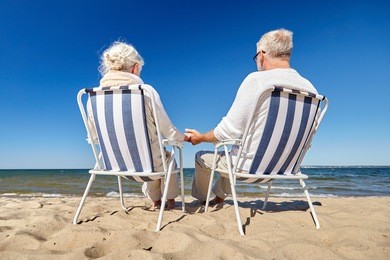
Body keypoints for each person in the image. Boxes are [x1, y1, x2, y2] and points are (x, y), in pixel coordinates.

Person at [186, 29, 318, 205]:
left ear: (262, 54)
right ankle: (218, 197)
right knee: (236, 148)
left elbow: (228, 131)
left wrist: (201, 137)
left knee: (203, 156)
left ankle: (202, 199)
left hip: (248, 168)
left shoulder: (257, 81)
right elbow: (310, 133)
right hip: (284, 168)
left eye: (256, 57)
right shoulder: (310, 89)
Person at [88, 41, 188, 209]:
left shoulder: (93, 98)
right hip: (146, 167)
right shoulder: (144, 91)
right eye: (140, 69)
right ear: (135, 68)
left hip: (115, 167)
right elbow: (169, 132)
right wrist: (185, 138)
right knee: (166, 158)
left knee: (154, 155)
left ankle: (155, 200)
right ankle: (170, 200)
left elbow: (93, 137)